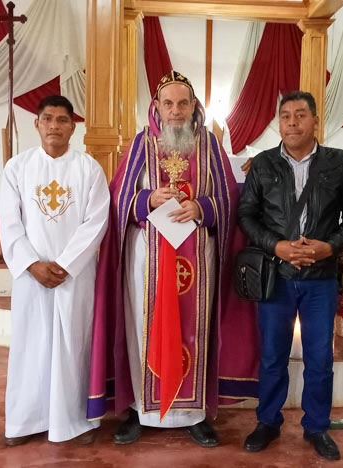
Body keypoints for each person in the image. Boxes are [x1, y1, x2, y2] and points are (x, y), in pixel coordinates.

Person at [86, 71, 259, 448]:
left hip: (199, 259)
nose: (176, 111)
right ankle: (140, 409)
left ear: (194, 107)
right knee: (143, 328)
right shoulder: (140, 145)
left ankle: (193, 415)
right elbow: (117, 199)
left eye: (183, 103)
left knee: (193, 331)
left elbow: (229, 198)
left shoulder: (210, 145)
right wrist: (147, 199)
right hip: (146, 261)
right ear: (157, 108)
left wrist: (203, 207)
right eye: (168, 104)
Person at [237, 90, 343, 461]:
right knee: (272, 356)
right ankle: (267, 421)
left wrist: (330, 247)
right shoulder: (263, 164)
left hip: (320, 278)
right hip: (276, 276)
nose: (292, 123)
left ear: (315, 121)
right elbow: (247, 215)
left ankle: (317, 427)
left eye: (300, 115)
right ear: (279, 123)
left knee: (320, 358)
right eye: (285, 116)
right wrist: (276, 245)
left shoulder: (338, 163)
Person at [0, 95, 110, 446]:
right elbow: (9, 223)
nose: (54, 126)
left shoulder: (89, 169)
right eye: (47, 119)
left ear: (73, 127)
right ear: (37, 124)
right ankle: (25, 421)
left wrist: (65, 265)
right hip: (31, 277)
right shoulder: (17, 168)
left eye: (62, 120)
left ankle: (73, 421)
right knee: (30, 346)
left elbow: (96, 222)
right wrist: (32, 264)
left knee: (73, 345)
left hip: (74, 276)